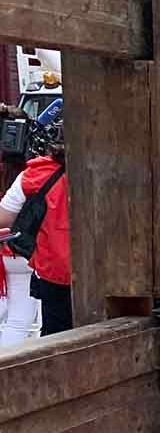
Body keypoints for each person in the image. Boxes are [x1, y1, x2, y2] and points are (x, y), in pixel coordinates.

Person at [0, 105, 68, 343]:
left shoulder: (34, 174)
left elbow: (3, 218)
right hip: (90, 270)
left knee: (27, 323)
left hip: (46, 267)